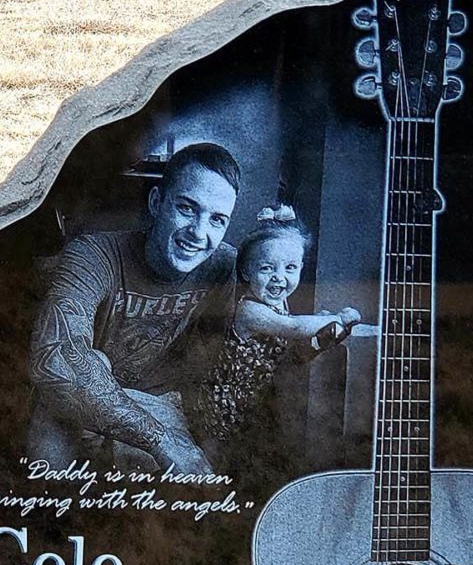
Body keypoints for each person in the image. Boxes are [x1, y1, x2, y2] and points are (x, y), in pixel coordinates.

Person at [28, 142, 241, 475]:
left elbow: (212, 364)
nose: (199, 233)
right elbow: (57, 360)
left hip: (159, 405)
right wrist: (162, 441)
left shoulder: (223, 265)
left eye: (217, 219)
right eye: (186, 208)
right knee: (47, 474)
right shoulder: (93, 255)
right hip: (78, 401)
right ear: (157, 202)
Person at [192, 206, 360, 470]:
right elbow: (293, 326)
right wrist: (338, 317)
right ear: (246, 272)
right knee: (220, 457)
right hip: (228, 403)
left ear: (301, 267)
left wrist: (324, 324)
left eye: (290, 268)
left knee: (251, 456)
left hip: (258, 397)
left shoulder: (278, 301)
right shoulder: (250, 310)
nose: (279, 278)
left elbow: (293, 334)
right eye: (267, 268)